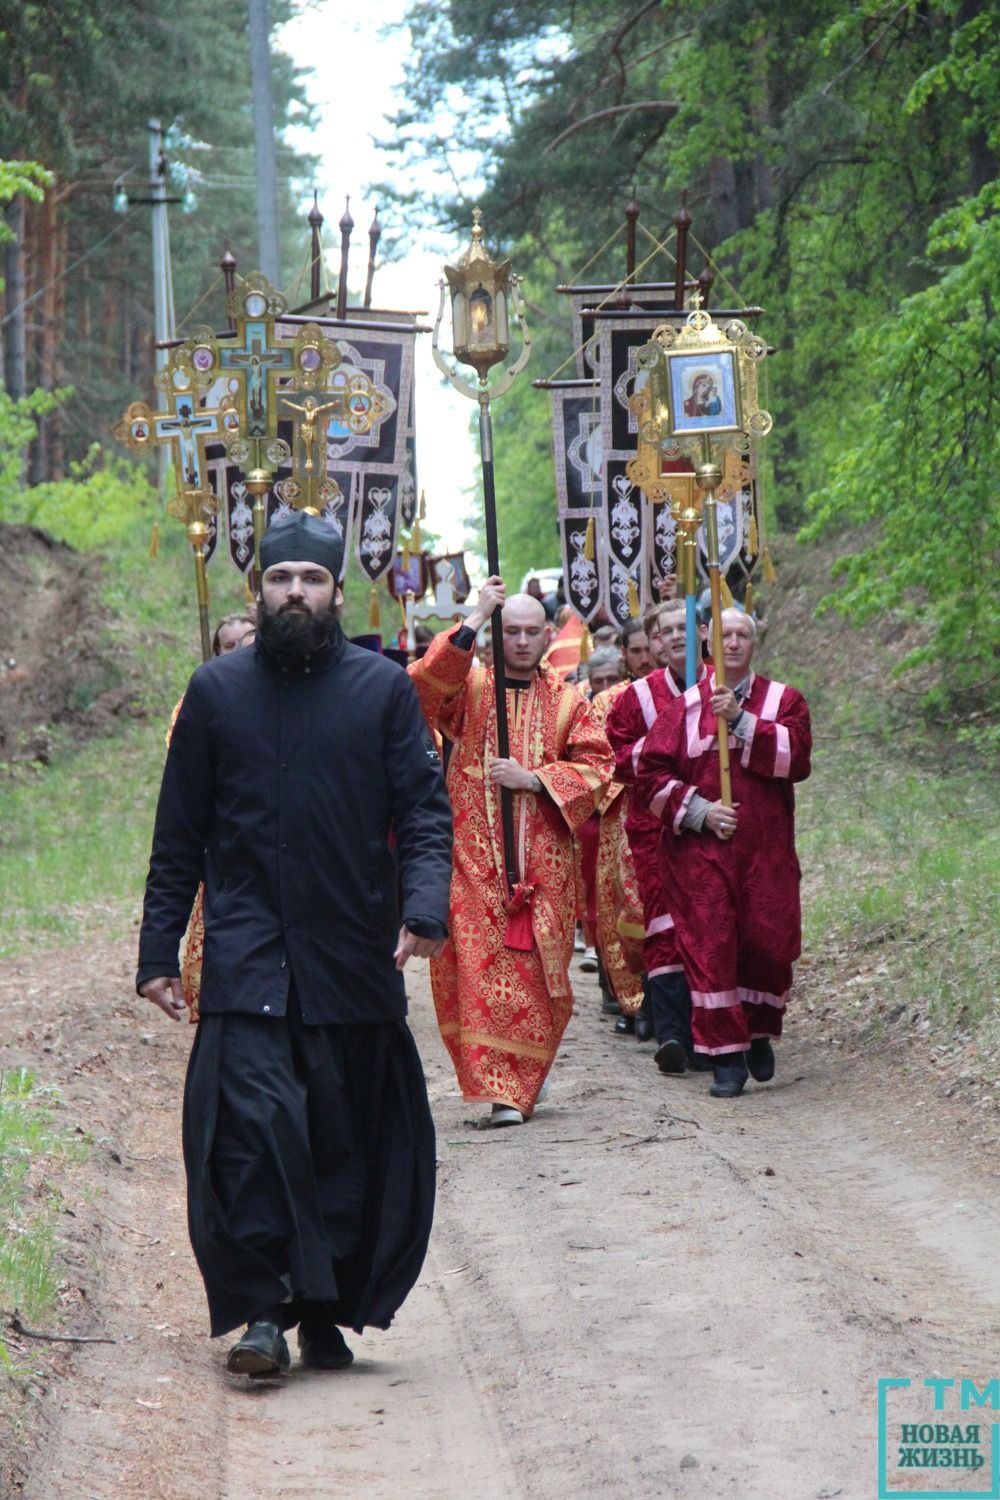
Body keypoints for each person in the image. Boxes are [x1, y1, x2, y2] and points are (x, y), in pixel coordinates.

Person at [136, 511, 454, 1377]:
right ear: (260, 589)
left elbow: (424, 813)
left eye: (311, 581)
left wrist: (425, 908)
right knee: (252, 1130)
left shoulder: (383, 691)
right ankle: (264, 1313)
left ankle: (324, 1309)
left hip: (349, 952)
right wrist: (158, 952)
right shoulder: (216, 693)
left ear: (336, 592)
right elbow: (179, 835)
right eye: (282, 580)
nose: (296, 594)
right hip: (245, 951)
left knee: (340, 1139)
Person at [409, 578, 614, 1126]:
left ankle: (524, 1073)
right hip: (472, 858)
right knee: (477, 966)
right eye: (511, 631)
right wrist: (475, 618)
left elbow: (599, 768)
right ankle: (503, 1089)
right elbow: (422, 690)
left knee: (534, 971)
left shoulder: (570, 701)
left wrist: (535, 779)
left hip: (542, 866)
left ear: (548, 635)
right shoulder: (472, 687)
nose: (521, 641)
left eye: (531, 632)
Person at [634, 608, 811, 1097]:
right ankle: (724, 1058)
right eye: (725, 635)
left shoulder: (784, 701)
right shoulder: (685, 708)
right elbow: (650, 775)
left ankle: (756, 1032)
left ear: (754, 643)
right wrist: (699, 811)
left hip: (766, 854)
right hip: (702, 855)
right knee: (712, 949)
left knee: (766, 944)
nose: (733, 643)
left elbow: (797, 760)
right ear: (709, 642)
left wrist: (743, 722)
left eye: (743, 636)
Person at [607, 599, 707, 1062]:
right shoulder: (637, 700)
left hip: (715, 826)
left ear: (702, 633)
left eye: (682, 627)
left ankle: (717, 1031)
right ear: (654, 643)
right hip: (656, 830)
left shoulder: (724, 687)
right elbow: (617, 760)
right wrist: (666, 740)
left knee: (713, 924)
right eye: (663, 631)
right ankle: (672, 1033)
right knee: (664, 925)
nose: (674, 637)